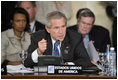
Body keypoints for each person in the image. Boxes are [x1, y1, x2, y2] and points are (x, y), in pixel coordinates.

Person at [24, 11, 92, 68]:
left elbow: (85, 61)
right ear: (48, 29)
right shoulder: (38, 37)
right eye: (56, 28)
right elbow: (26, 63)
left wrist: (67, 65)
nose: (61, 32)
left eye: (63, 26)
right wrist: (38, 51)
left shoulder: (74, 37)